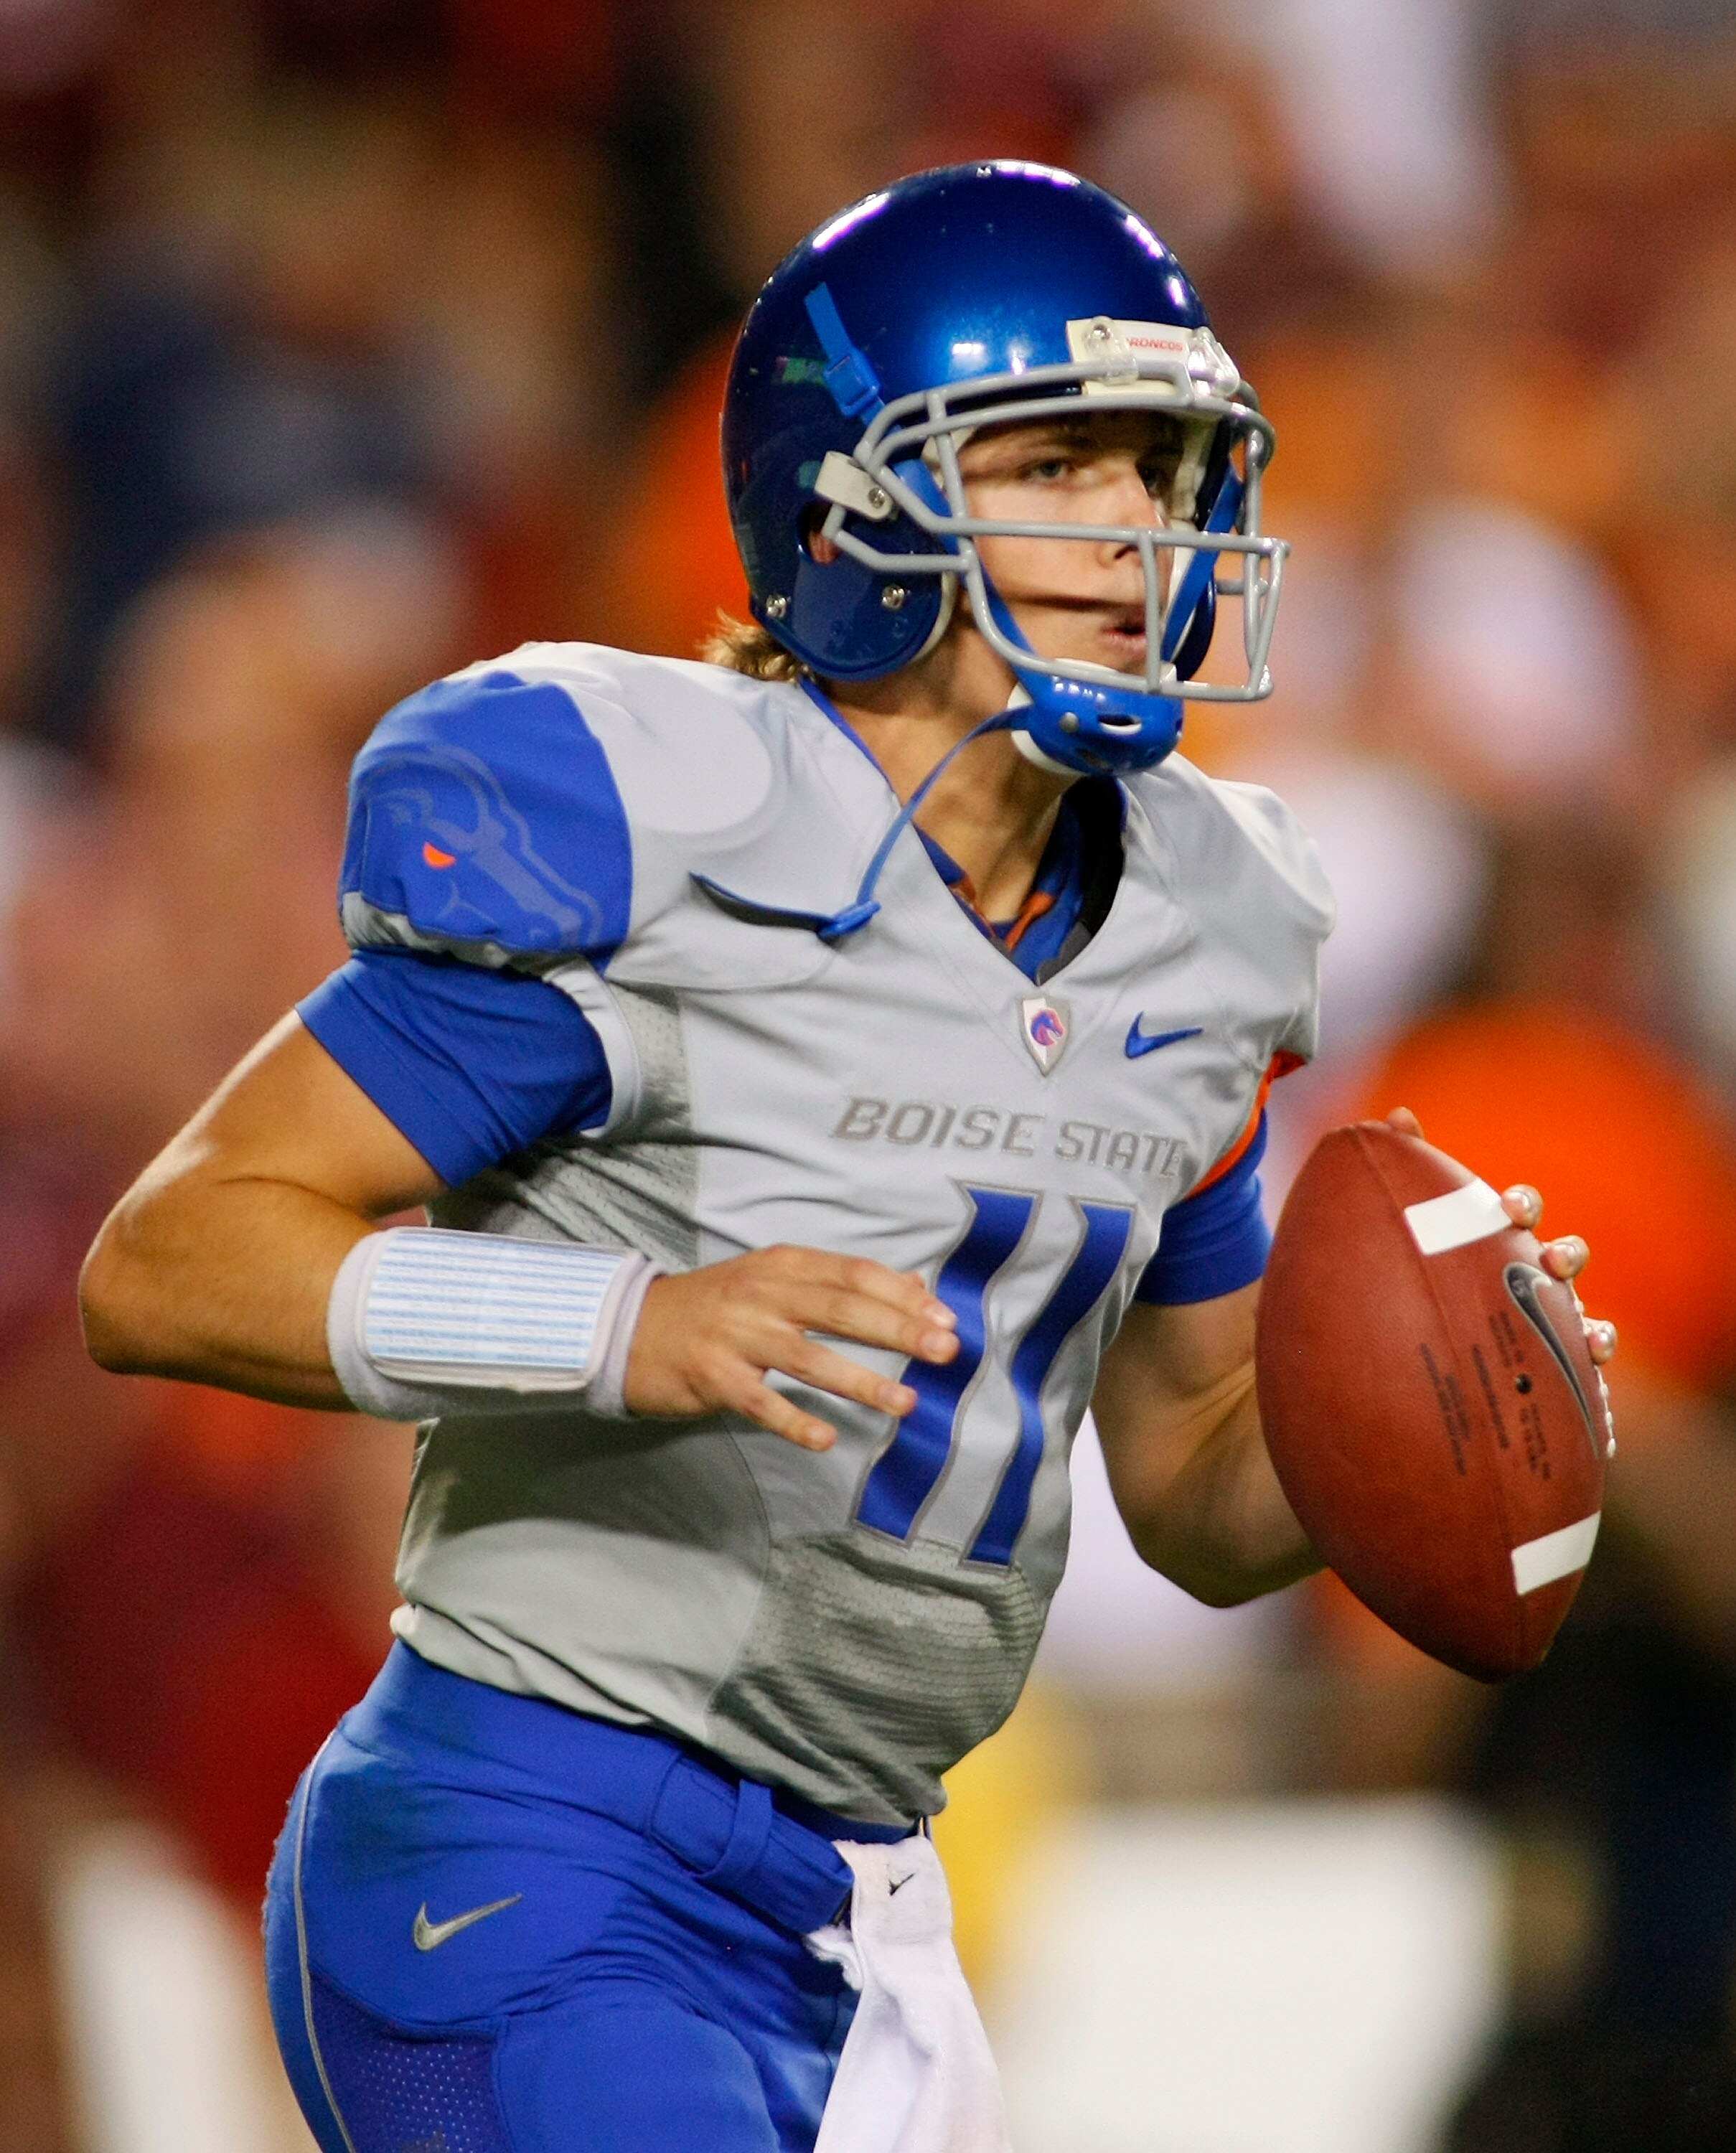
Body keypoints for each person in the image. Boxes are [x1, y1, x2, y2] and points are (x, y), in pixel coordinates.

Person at [77, 164, 1613, 2153]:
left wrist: (1436, 1398)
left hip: (876, 1910)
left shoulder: (1204, 927)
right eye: (1057, 468)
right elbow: (173, 1259)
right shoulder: (656, 836)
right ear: (849, 506)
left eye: (1162, 473)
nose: (1138, 531)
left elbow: (1191, 1495)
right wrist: (625, 1323)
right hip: (531, 1850)